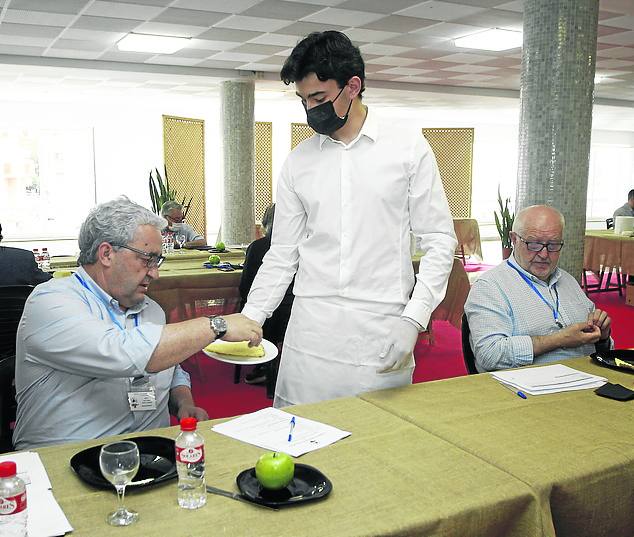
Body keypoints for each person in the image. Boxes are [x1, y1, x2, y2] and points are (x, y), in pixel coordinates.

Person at [237, 31, 457, 407]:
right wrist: (252, 316)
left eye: (319, 98)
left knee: (376, 448)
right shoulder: (299, 161)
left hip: (380, 323)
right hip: (310, 326)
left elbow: (439, 240)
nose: (310, 109)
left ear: (352, 86)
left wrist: (414, 318)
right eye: (303, 100)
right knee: (299, 440)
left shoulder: (407, 148)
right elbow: (282, 253)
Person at [13, 197, 262, 449]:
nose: (155, 273)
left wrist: (183, 401)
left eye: (158, 261)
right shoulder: (50, 302)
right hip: (68, 458)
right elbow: (121, 351)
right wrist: (215, 326)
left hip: (152, 456)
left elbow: (170, 367)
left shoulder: (150, 308)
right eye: (147, 259)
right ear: (107, 253)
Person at [465, 205, 613, 372]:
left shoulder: (568, 281)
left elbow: (603, 349)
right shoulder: (490, 287)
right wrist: (559, 339)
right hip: (526, 389)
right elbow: (489, 355)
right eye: (534, 244)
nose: (544, 254)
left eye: (553, 245)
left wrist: (602, 336)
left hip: (588, 378)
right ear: (514, 240)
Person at [239, 204, 294, 385]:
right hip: (294, 313)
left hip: (268, 318)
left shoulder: (257, 247)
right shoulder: (305, 249)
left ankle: (263, 365)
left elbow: (244, 287)